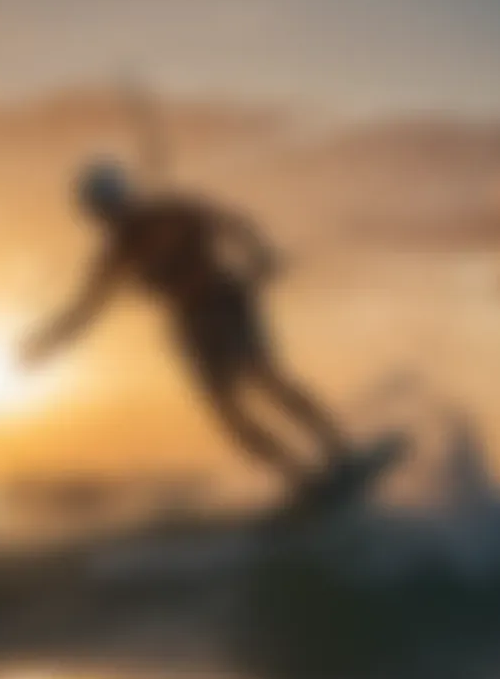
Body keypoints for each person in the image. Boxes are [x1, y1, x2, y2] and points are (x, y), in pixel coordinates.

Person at [19, 161, 350, 484]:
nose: (112, 220)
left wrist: (260, 254)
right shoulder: (116, 255)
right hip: (189, 326)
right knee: (228, 413)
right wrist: (46, 343)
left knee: (264, 377)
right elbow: (86, 310)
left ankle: (340, 452)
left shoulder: (173, 213)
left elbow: (230, 222)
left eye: (112, 209)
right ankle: (300, 478)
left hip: (225, 302)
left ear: (123, 199)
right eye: (104, 214)